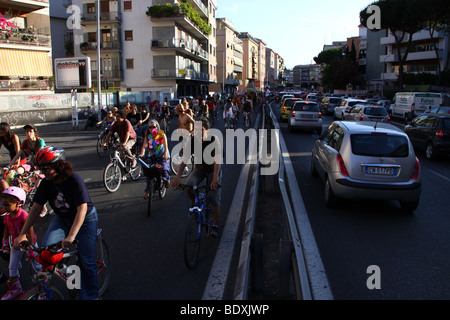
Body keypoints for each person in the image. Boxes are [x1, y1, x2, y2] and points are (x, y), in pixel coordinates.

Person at [13, 146, 99, 300]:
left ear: (59, 165)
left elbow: (82, 209)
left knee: (86, 262)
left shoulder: (74, 180)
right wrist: (22, 234)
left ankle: (92, 296)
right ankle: (72, 276)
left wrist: (71, 236)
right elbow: (36, 208)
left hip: (85, 219)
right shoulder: (47, 183)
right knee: (47, 251)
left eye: (46, 168)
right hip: (63, 218)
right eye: (40, 168)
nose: (43, 172)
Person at [171, 117, 222, 239]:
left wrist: (215, 178)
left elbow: (217, 161)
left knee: (213, 197)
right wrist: (178, 176)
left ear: (208, 130)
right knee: (188, 187)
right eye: (196, 130)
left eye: (202, 130)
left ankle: (215, 226)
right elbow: (184, 160)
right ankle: (196, 204)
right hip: (199, 169)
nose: (198, 133)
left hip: (212, 170)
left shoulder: (213, 140)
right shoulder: (193, 141)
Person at [1, 186, 41, 300]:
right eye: (3, 205)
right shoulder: (8, 217)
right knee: (12, 267)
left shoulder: (24, 215)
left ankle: (42, 287)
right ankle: (15, 289)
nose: (5, 208)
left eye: (8, 205)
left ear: (18, 203)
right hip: (15, 245)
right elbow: (6, 230)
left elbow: (31, 232)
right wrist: (4, 243)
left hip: (28, 244)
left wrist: (32, 248)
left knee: (36, 265)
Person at [138, 119, 170, 199]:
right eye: (150, 127)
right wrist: (142, 153)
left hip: (162, 155)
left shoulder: (162, 135)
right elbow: (144, 147)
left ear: (157, 127)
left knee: (164, 170)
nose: (152, 129)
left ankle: (166, 180)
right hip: (152, 157)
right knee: (148, 173)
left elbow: (166, 147)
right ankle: (147, 190)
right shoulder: (148, 137)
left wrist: (165, 155)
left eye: (154, 127)